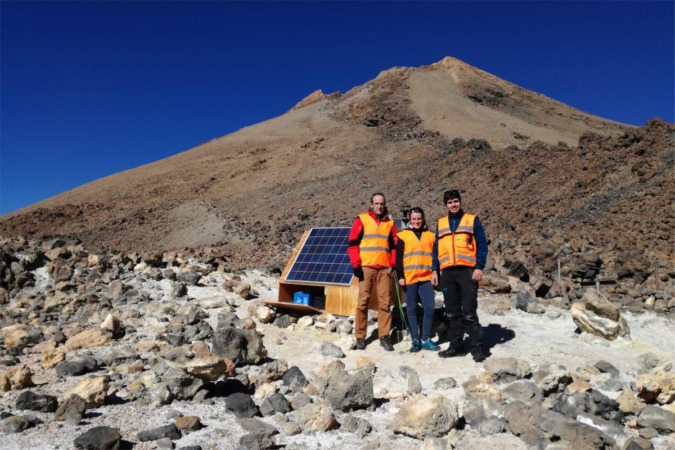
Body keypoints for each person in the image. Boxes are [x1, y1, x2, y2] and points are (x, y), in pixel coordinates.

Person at [431, 190, 488, 362]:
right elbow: (436, 249)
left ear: (460, 202)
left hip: (467, 272)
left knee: (469, 311)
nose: (453, 205)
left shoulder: (472, 220)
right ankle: (456, 346)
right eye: (450, 202)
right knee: (452, 312)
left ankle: (476, 347)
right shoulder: (440, 224)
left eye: (456, 201)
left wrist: (479, 266)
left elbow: (482, 244)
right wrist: (435, 270)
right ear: (445, 205)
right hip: (448, 273)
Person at [348, 193, 398, 351]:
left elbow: (395, 246)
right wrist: (356, 264)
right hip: (366, 267)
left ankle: (384, 336)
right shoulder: (361, 219)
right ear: (371, 204)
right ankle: (360, 336)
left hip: (384, 269)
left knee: (384, 304)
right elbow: (353, 243)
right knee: (363, 302)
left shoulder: (390, 223)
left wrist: (392, 263)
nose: (379, 206)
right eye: (376, 203)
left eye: (382, 203)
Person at [395, 207, 440, 352]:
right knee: (412, 308)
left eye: (419, 218)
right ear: (409, 219)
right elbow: (398, 258)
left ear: (423, 218)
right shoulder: (403, 236)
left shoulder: (430, 236)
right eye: (413, 219)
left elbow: (435, 257)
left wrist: (435, 272)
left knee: (429, 307)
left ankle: (425, 338)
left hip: (426, 277)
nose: (416, 221)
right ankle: (415, 338)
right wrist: (401, 276)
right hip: (410, 277)